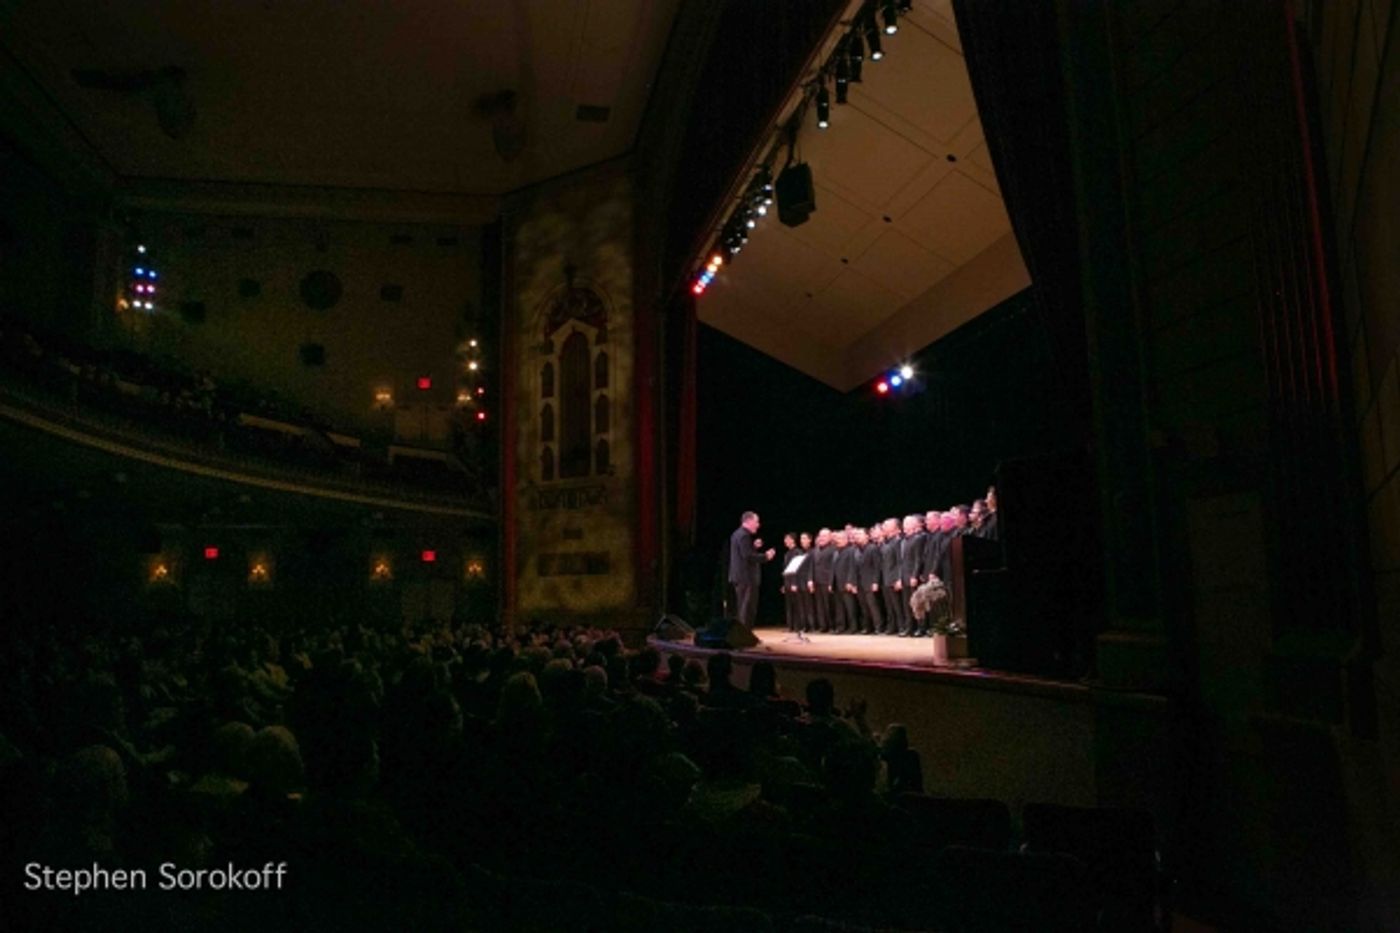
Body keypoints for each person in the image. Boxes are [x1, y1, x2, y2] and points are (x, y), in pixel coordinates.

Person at [728, 511, 775, 627]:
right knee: (747, 608)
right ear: (748, 521)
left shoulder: (737, 534)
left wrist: (753, 546)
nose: (758, 525)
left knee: (743, 607)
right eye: (756, 522)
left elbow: (743, 553)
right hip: (746, 578)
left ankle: (743, 632)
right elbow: (748, 556)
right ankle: (745, 633)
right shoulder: (744, 535)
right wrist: (766, 556)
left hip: (740, 577)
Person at [879, 518, 907, 637]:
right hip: (886, 577)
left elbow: (900, 562)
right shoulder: (886, 542)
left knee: (897, 605)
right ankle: (892, 626)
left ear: (895, 528)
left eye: (886, 525)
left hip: (894, 578)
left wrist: (899, 578)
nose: (883, 527)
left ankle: (902, 626)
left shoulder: (898, 541)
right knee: (889, 605)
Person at [855, 527, 885, 635]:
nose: (857, 536)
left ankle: (879, 627)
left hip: (870, 581)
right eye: (857, 534)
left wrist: (875, 582)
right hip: (860, 582)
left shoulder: (872, 548)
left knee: (873, 606)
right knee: (864, 606)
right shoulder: (857, 550)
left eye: (860, 534)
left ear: (867, 536)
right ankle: (868, 627)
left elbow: (877, 566)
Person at [809, 528, 837, 633]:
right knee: (819, 605)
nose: (821, 538)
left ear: (830, 537)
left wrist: (831, 582)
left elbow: (833, 568)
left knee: (829, 605)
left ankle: (832, 626)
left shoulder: (833, 549)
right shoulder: (815, 550)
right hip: (817, 581)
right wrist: (810, 579)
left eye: (824, 536)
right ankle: (823, 626)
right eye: (820, 536)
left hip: (827, 581)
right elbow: (811, 566)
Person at [832, 530, 859, 634]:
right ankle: (840, 627)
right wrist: (831, 582)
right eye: (837, 538)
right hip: (837, 583)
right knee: (839, 607)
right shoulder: (836, 551)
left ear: (846, 540)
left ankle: (853, 627)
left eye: (840, 538)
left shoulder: (850, 551)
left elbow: (852, 567)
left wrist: (850, 581)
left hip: (846, 583)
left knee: (850, 607)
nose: (837, 541)